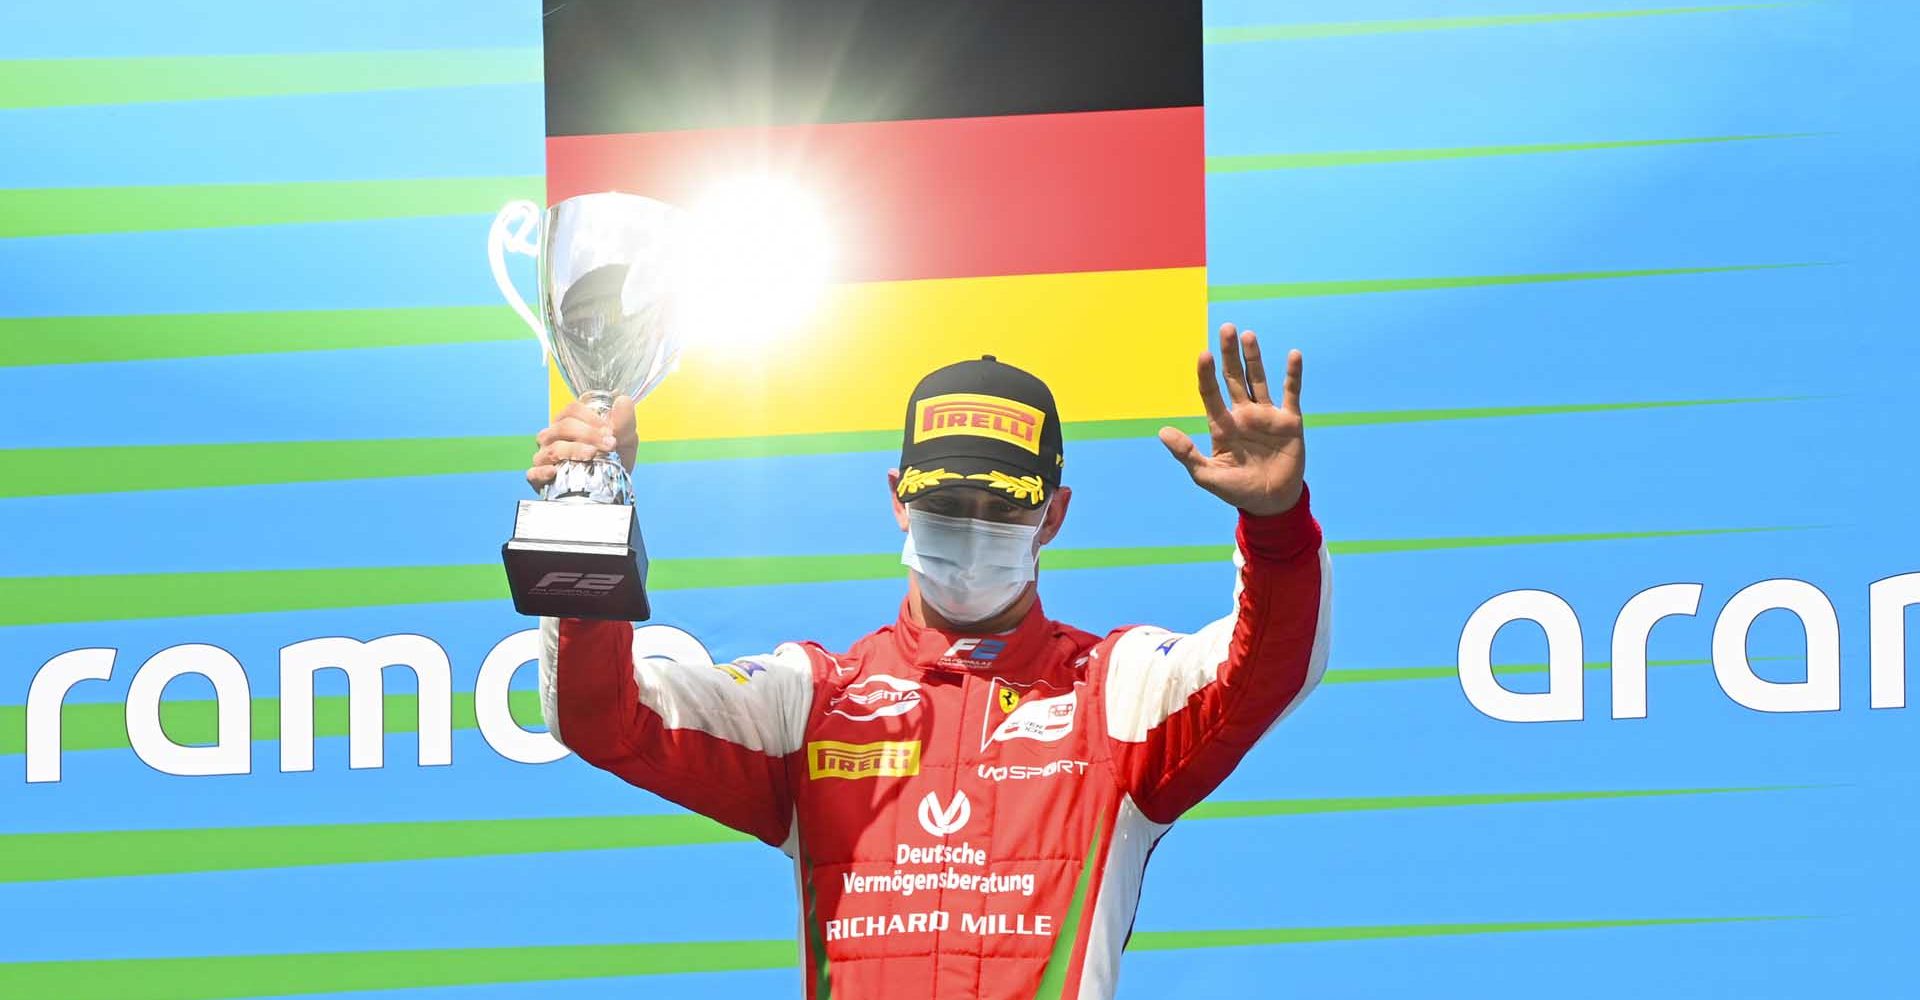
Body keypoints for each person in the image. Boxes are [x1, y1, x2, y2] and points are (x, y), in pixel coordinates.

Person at [530, 324, 1330, 1000]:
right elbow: (603, 719)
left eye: (1001, 507)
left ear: (1053, 515)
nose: (970, 527)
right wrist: (585, 512)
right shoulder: (813, 701)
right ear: (896, 499)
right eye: (945, 504)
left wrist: (1277, 526)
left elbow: (1265, 672)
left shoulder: (1113, 693)